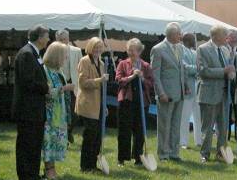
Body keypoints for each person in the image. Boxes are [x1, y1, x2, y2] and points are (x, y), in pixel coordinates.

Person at [12, 25, 50, 180]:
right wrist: (46, 87)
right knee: (27, 142)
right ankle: (26, 176)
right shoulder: (27, 54)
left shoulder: (35, 53)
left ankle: (33, 174)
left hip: (36, 107)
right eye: (47, 36)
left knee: (35, 142)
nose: (48, 39)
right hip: (27, 108)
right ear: (40, 37)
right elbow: (28, 82)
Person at [197, 25, 235, 163]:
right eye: (225, 35)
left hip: (224, 94)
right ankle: (205, 154)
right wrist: (223, 71)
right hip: (209, 93)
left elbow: (229, 68)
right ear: (216, 36)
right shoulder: (203, 49)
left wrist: (231, 73)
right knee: (207, 127)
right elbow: (203, 71)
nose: (227, 38)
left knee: (223, 126)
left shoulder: (225, 50)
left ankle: (221, 152)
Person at [150, 22, 186, 161]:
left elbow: (182, 69)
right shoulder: (158, 49)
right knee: (165, 125)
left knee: (176, 124)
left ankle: (174, 152)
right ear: (171, 34)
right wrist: (161, 93)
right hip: (166, 94)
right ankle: (163, 153)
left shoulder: (180, 48)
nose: (180, 36)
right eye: (179, 34)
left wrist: (186, 85)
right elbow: (155, 74)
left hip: (179, 92)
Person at [115, 38, 154, 167]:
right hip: (126, 101)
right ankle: (122, 158)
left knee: (140, 131)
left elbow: (150, 83)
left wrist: (142, 78)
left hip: (142, 102)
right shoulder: (122, 64)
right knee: (124, 131)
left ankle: (138, 157)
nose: (131, 53)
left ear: (139, 51)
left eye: (134, 50)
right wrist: (132, 75)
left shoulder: (146, 66)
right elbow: (119, 80)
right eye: (129, 50)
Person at [42, 41, 73, 180]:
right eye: (64, 56)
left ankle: (53, 168)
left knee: (56, 140)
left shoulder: (58, 71)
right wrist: (64, 89)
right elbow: (47, 92)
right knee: (48, 140)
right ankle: (48, 169)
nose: (65, 59)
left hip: (60, 112)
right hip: (49, 113)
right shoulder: (45, 70)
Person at [76, 37, 108, 172]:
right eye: (96, 47)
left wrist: (104, 105)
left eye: (100, 47)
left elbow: (102, 89)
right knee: (90, 136)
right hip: (88, 104)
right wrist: (99, 80)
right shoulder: (85, 61)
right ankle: (85, 166)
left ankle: (92, 164)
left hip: (99, 104)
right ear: (90, 47)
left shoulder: (100, 63)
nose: (98, 50)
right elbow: (83, 83)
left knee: (97, 137)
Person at [56, 30, 82, 143]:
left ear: (68, 38)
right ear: (57, 40)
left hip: (74, 84)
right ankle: (64, 134)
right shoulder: (54, 51)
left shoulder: (77, 51)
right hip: (60, 84)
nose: (63, 42)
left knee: (75, 112)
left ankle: (69, 131)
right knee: (62, 111)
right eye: (61, 40)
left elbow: (81, 69)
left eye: (65, 39)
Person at [179, 32, 202, 149]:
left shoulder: (194, 52)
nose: (195, 41)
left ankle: (199, 141)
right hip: (187, 88)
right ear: (188, 40)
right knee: (185, 116)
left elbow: (200, 67)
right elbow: (184, 67)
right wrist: (197, 69)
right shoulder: (181, 51)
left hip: (197, 89)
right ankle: (183, 141)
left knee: (198, 116)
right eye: (193, 39)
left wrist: (198, 69)